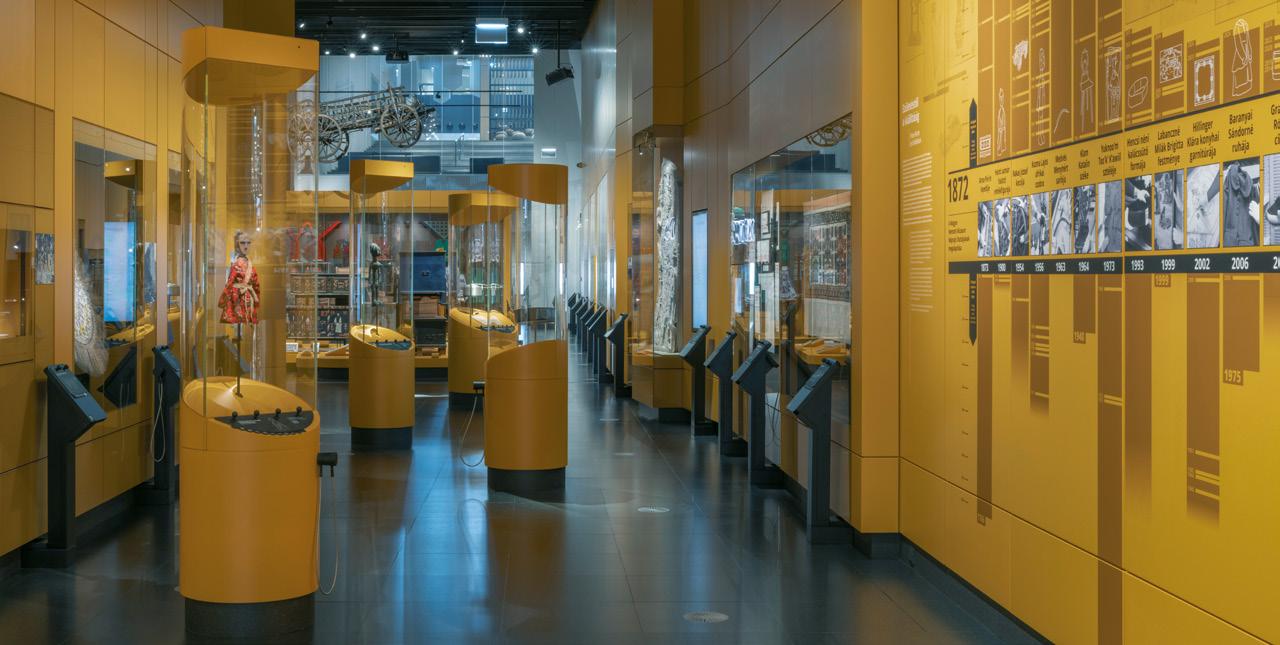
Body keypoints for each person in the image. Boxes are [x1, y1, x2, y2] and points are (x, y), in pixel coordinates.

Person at [218, 230, 261, 325]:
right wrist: (224, 300)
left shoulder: (249, 263)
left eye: (248, 243)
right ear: (237, 244)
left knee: (244, 320)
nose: (246, 246)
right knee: (239, 319)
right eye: (242, 243)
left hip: (248, 299)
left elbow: (256, 284)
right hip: (237, 298)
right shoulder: (236, 264)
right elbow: (230, 283)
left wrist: (256, 298)